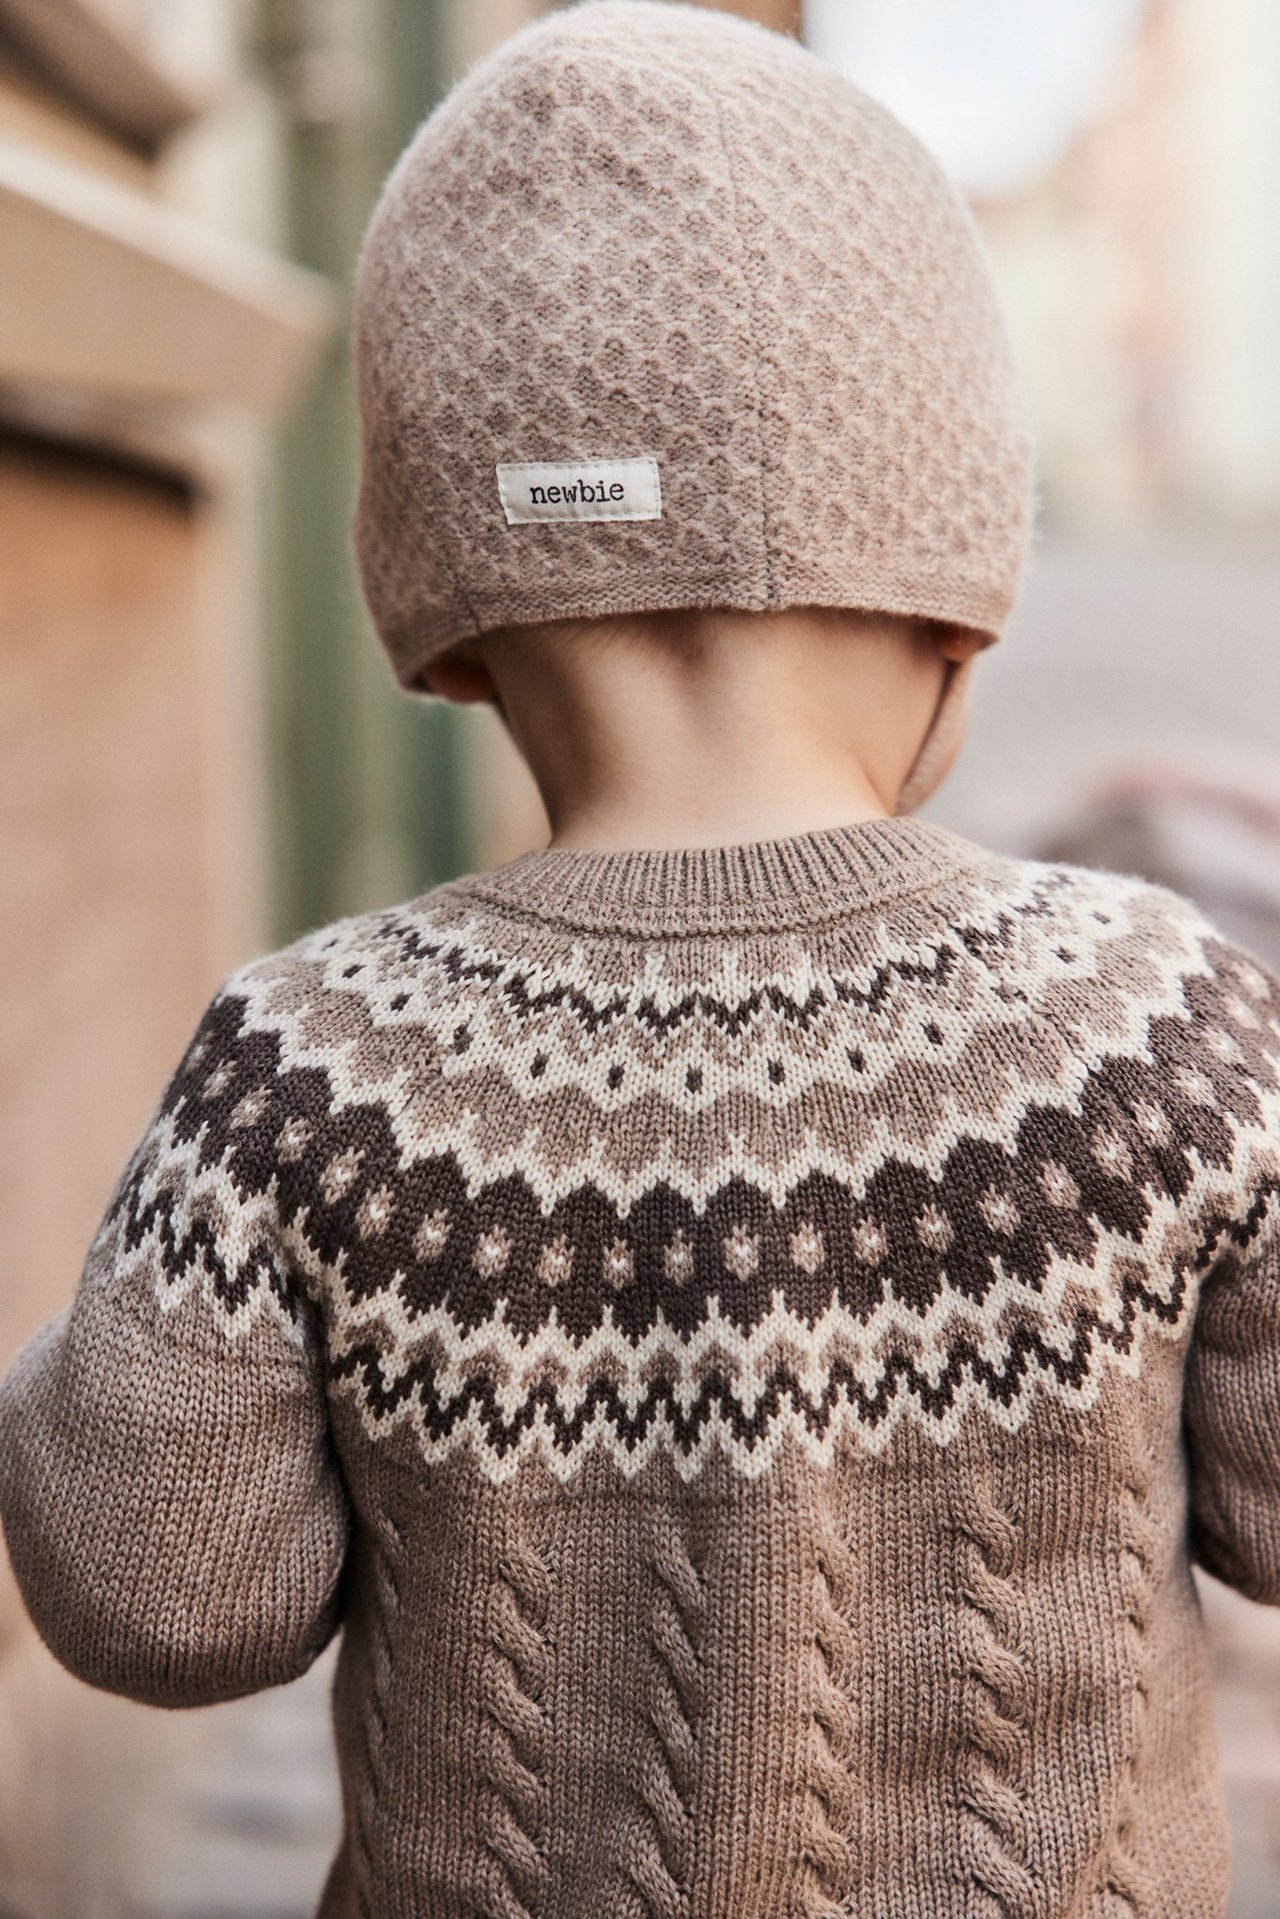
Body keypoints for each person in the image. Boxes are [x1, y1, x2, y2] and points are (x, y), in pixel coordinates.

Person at [2, 5, 1278, 1915]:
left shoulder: (309, 1070)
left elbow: (169, 1602)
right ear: (954, 602)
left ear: (451, 639)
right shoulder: (1160, 1024)